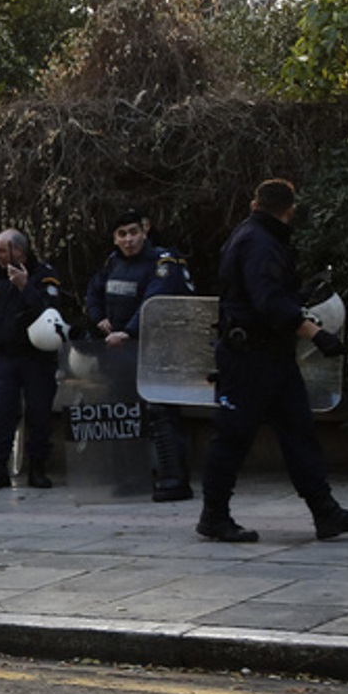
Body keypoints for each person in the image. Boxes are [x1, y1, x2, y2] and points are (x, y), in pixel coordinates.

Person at [195, 179, 348, 544]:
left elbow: (267, 293)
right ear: (290, 209)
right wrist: (316, 333)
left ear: (254, 203)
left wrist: (300, 295)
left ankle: (325, 513)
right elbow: (267, 302)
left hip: (270, 355)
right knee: (233, 436)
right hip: (249, 357)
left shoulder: (257, 237)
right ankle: (214, 516)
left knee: (298, 432)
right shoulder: (260, 243)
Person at [83, 208, 196, 500]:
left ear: (144, 231)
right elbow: (93, 293)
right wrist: (98, 319)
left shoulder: (163, 262)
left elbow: (155, 301)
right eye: (122, 234)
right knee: (124, 415)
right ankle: (130, 478)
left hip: (157, 352)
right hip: (120, 354)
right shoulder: (112, 263)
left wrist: (129, 331)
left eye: (133, 232)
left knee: (162, 415)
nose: (129, 239)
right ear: (114, 238)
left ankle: (174, 480)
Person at [0, 228, 64, 491]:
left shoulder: (44, 274)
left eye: (2, 250)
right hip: (5, 357)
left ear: (18, 251)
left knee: (39, 413)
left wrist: (25, 286)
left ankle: (38, 469)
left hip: (37, 358)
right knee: (1, 413)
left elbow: (51, 312)